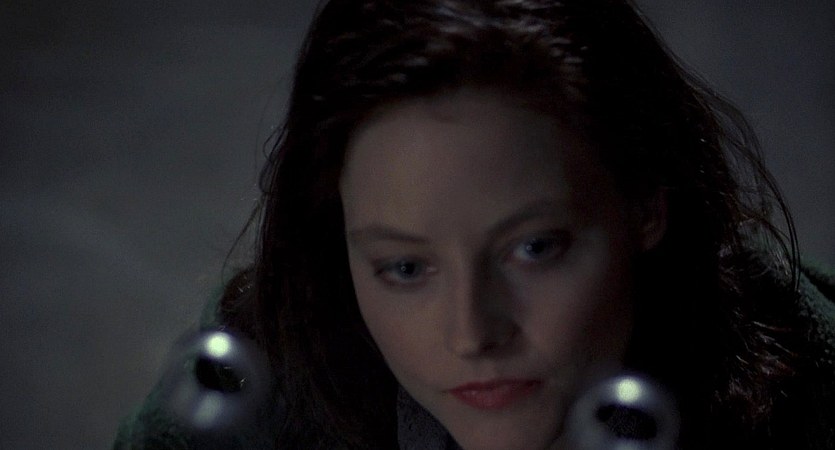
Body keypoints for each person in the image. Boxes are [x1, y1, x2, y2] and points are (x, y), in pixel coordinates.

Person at [114, 0, 835, 449]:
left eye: (534, 248)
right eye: (404, 268)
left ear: (646, 203)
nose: (471, 334)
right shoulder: (258, 394)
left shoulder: (812, 399)